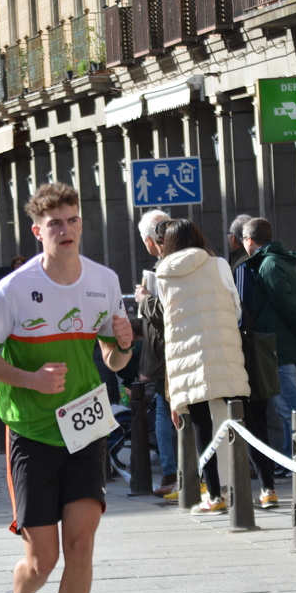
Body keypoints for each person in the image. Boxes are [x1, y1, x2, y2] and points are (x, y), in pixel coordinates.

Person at [0, 182, 133, 593]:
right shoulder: (14, 289)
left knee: (81, 547)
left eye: (72, 220)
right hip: (31, 429)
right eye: (55, 224)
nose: (65, 231)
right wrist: (31, 380)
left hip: (85, 424)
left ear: (81, 223)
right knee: (42, 560)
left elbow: (113, 359)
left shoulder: (105, 282)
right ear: (37, 231)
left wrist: (125, 347)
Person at [154, 218, 250, 515]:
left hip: (186, 357)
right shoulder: (218, 263)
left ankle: (214, 493)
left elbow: (167, 319)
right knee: (229, 418)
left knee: (200, 425)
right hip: (221, 349)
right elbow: (236, 307)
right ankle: (237, 487)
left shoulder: (162, 274)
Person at [239, 217, 296, 468]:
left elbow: (287, 306)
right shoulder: (275, 261)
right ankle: (288, 459)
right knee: (288, 408)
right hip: (278, 343)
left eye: (243, 239)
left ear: (249, 240)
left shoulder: (269, 265)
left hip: (278, 346)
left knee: (291, 409)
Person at [231, 218, 282, 508]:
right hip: (269, 350)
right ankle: (269, 484)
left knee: (250, 421)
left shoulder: (245, 269)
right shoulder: (279, 263)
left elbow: (241, 311)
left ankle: (265, 485)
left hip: (247, 353)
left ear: (244, 239)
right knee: (261, 418)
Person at [134, 210, 178, 496]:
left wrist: (144, 300)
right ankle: (180, 472)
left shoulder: (168, 267)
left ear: (151, 240)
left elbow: (166, 313)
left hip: (169, 352)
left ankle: (173, 473)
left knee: (166, 410)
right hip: (171, 351)